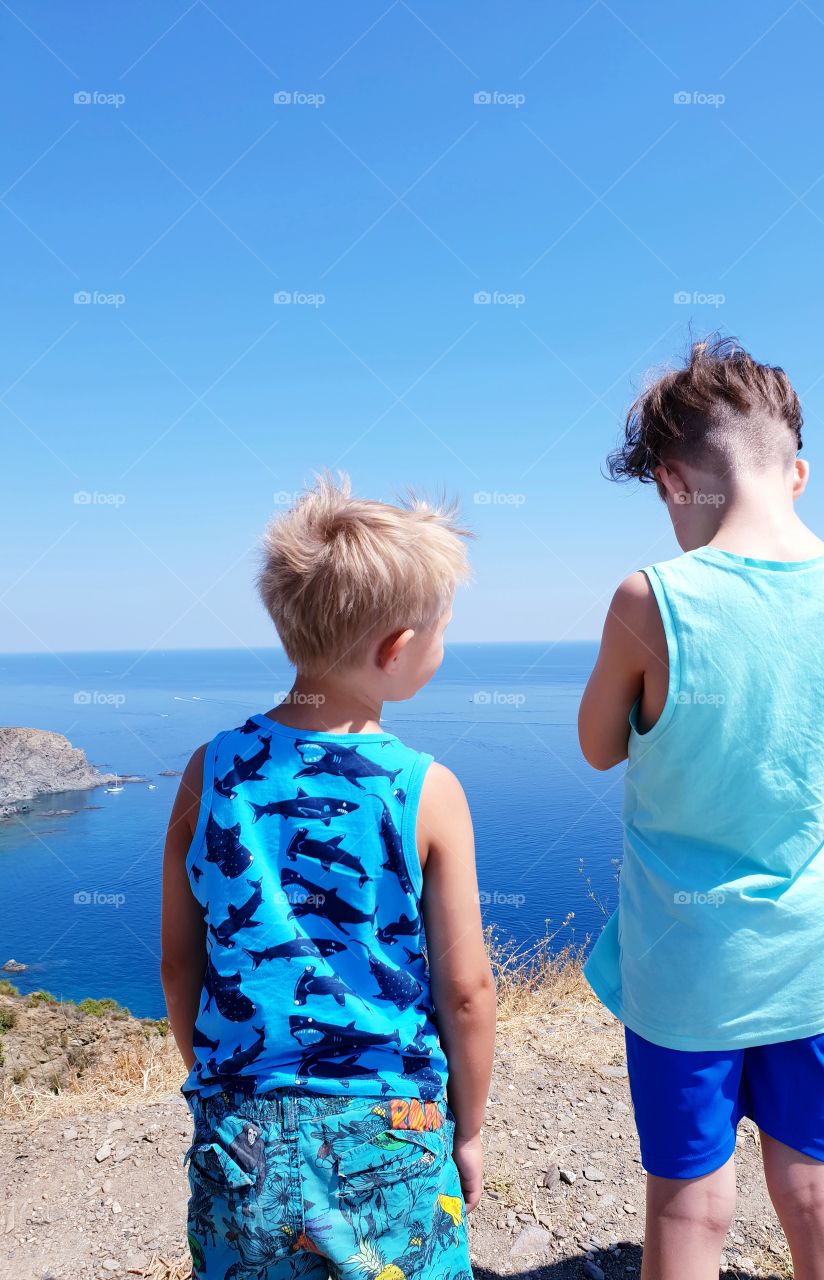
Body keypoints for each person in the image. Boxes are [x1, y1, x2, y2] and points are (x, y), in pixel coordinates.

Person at [579, 336, 824, 1280]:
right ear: (795, 471)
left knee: (690, 1207)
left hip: (686, 965)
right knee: (820, 1195)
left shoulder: (651, 599)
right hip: (817, 954)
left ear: (674, 481)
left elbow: (600, 746)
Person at [161, 475, 495, 1280]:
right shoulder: (426, 790)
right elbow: (469, 992)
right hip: (392, 1128)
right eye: (442, 628)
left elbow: (180, 963)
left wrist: (222, 1081)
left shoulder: (211, 771)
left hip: (238, 1130)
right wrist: (470, 1129)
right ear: (397, 649)